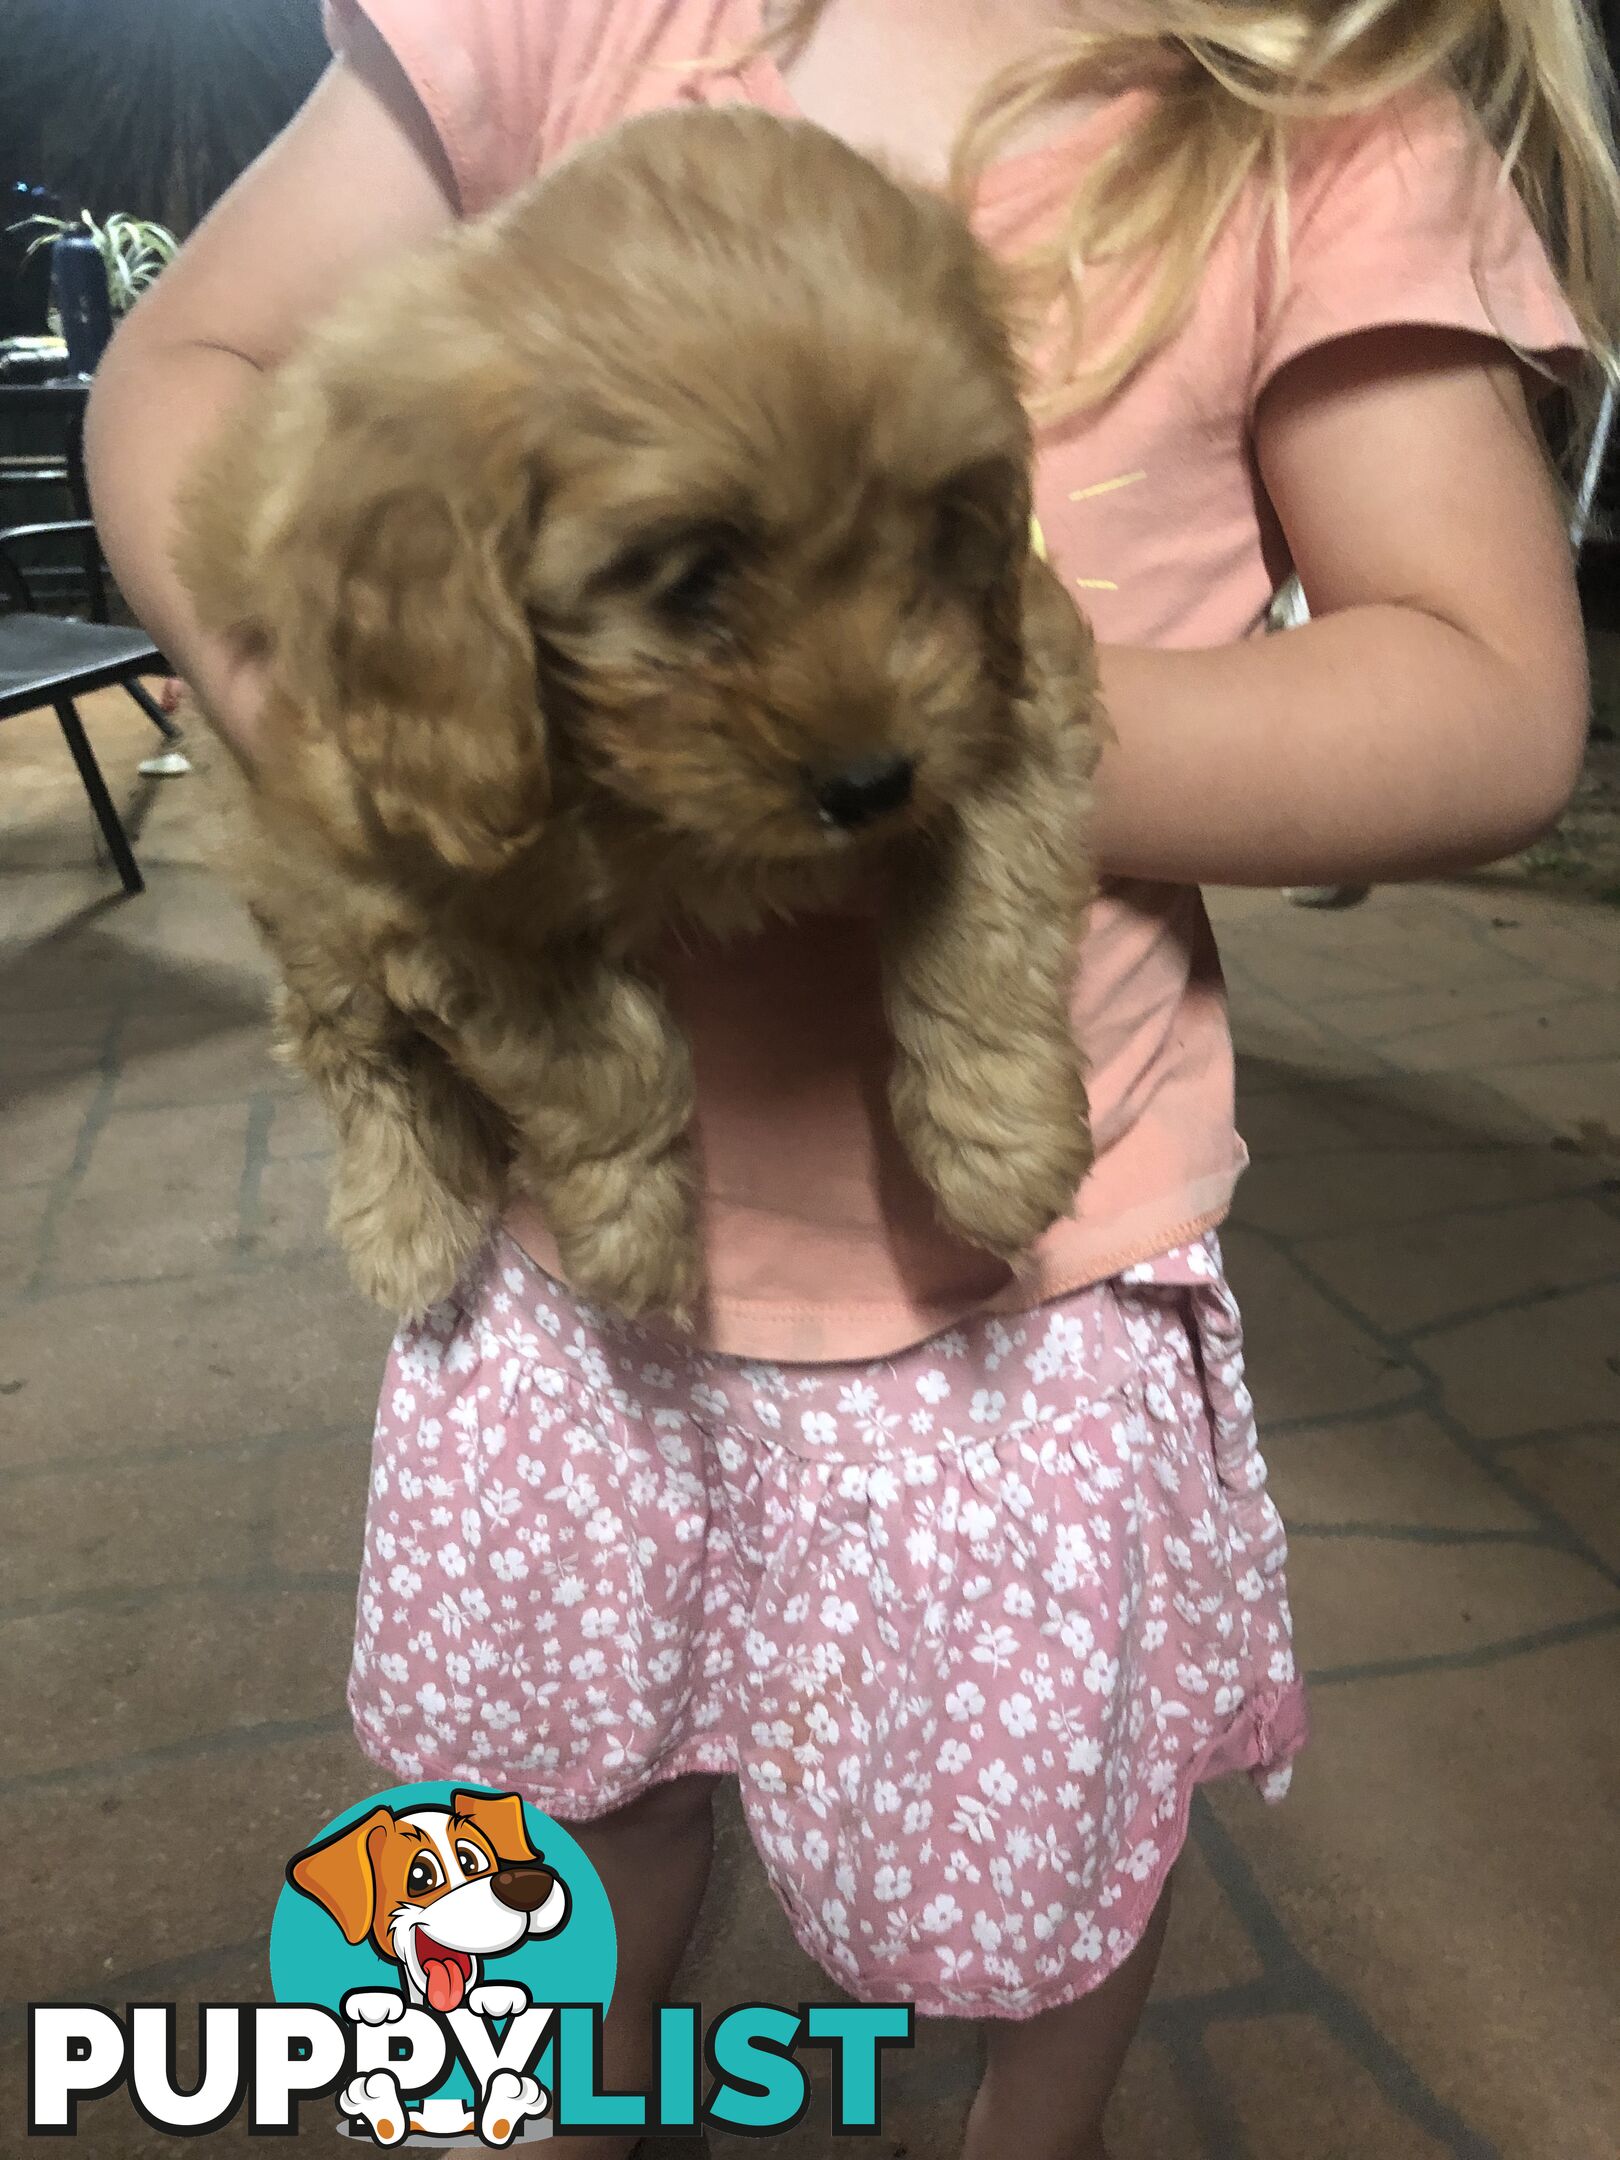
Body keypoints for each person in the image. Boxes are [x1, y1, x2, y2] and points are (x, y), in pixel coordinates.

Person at [84, 4, 1617, 2154]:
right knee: (559, 1805)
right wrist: (359, 719)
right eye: (709, 580)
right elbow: (187, 378)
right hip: (569, 1241)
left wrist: (964, 751)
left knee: (1037, 1881)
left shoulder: (1315, 115)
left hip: (1015, 1292)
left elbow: (1489, 700)